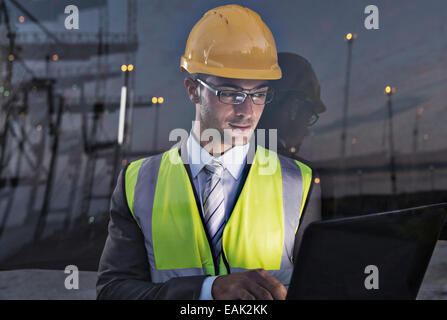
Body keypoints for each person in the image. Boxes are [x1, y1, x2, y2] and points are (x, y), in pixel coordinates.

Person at [97, 4, 321, 300]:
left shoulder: (299, 182)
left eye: (258, 94)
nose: (247, 110)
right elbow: (113, 292)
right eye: (230, 93)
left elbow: (318, 287)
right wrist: (207, 291)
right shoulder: (137, 182)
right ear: (193, 89)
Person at [257, 52, 326, 158]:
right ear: (294, 107)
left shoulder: (238, 151)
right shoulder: (281, 166)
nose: (306, 132)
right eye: (308, 118)